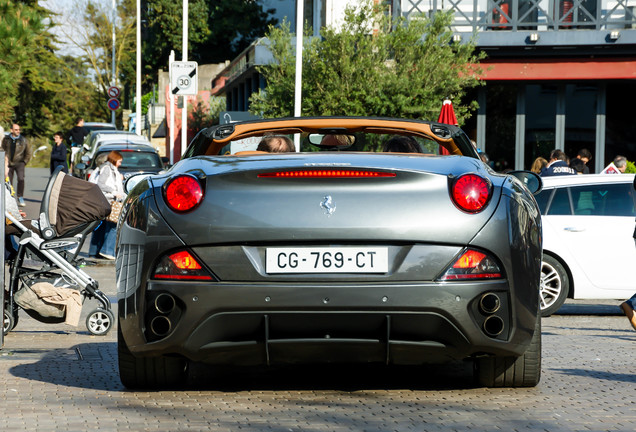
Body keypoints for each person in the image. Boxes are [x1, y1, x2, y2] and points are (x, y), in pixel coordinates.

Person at [88, 151, 124, 260]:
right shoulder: (108, 169)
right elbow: (101, 184)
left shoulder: (105, 167)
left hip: (103, 200)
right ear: (114, 159)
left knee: (101, 226)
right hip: (108, 200)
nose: (120, 164)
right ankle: (107, 251)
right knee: (112, 226)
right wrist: (114, 192)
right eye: (119, 161)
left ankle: (95, 251)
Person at [1, 123, 31, 207]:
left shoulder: (23, 140)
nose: (18, 131)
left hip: (20, 162)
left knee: (21, 179)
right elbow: (2, 150)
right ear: (11, 130)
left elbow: (28, 153)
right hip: (9, 163)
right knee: (8, 181)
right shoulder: (6, 139)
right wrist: (4, 161)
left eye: (19, 129)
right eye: (16, 130)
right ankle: (9, 198)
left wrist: (24, 162)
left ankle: (20, 196)